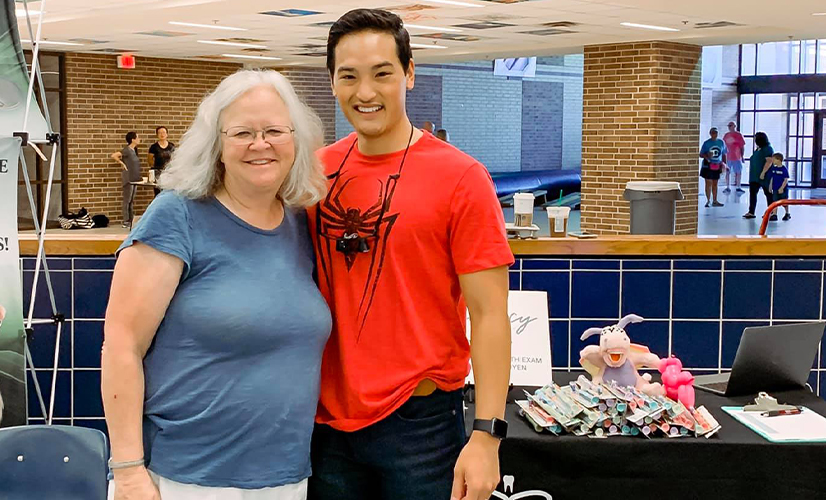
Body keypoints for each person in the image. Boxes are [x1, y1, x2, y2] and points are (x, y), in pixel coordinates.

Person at [309, 9, 513, 500]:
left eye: (382, 73)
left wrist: (486, 436)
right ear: (332, 82)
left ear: (410, 73)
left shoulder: (461, 177)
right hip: (322, 424)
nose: (365, 92)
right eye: (349, 76)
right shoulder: (313, 175)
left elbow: (489, 315)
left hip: (420, 424)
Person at [102, 69, 331, 500]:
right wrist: (128, 470)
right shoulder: (177, 215)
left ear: (296, 142)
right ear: (217, 146)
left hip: (284, 475)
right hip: (182, 477)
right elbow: (121, 344)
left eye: (274, 131)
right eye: (242, 132)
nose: (259, 144)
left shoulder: (301, 224)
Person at [111, 131, 142, 228]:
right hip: (128, 178)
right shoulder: (127, 150)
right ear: (133, 139)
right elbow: (114, 155)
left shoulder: (134, 150)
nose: (139, 139)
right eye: (137, 137)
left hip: (135, 178)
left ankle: (131, 219)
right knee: (127, 200)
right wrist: (122, 164)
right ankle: (125, 221)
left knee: (131, 200)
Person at [743, 131, 774, 220]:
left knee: (768, 194)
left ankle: (771, 212)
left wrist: (763, 173)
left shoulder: (768, 149)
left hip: (763, 176)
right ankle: (751, 211)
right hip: (754, 176)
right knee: (753, 194)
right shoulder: (758, 149)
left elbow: (769, 161)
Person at [699, 127, 726, 208]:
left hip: (717, 164)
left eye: (716, 133)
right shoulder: (706, 143)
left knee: (715, 183)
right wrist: (707, 155)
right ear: (710, 134)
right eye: (713, 133)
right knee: (708, 183)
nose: (714, 134)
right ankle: (708, 200)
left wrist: (724, 164)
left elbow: (724, 154)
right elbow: (701, 154)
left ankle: (715, 200)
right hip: (708, 165)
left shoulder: (721, 142)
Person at [147, 126, 175, 197]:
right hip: (158, 173)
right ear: (157, 135)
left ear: (167, 134)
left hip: (169, 172)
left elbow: (174, 158)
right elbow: (150, 160)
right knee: (158, 193)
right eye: (159, 133)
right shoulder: (154, 147)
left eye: (163, 132)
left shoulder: (171, 146)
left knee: (168, 192)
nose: (162, 134)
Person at [767, 152, 791, 221]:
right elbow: (772, 178)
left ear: (778, 160)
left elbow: (785, 180)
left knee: (784, 202)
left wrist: (782, 188)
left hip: (782, 189)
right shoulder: (774, 169)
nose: (772, 161)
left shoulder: (784, 169)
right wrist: (770, 186)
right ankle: (775, 214)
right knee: (775, 201)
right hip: (775, 188)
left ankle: (787, 213)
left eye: (774, 159)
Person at [722, 121, 745, 193]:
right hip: (728, 157)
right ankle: (728, 187)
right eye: (728, 126)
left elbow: (742, 146)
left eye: (731, 125)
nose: (729, 127)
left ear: (735, 126)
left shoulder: (739, 135)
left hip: (737, 157)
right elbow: (723, 146)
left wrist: (742, 156)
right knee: (727, 172)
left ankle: (738, 186)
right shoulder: (726, 135)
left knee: (738, 172)